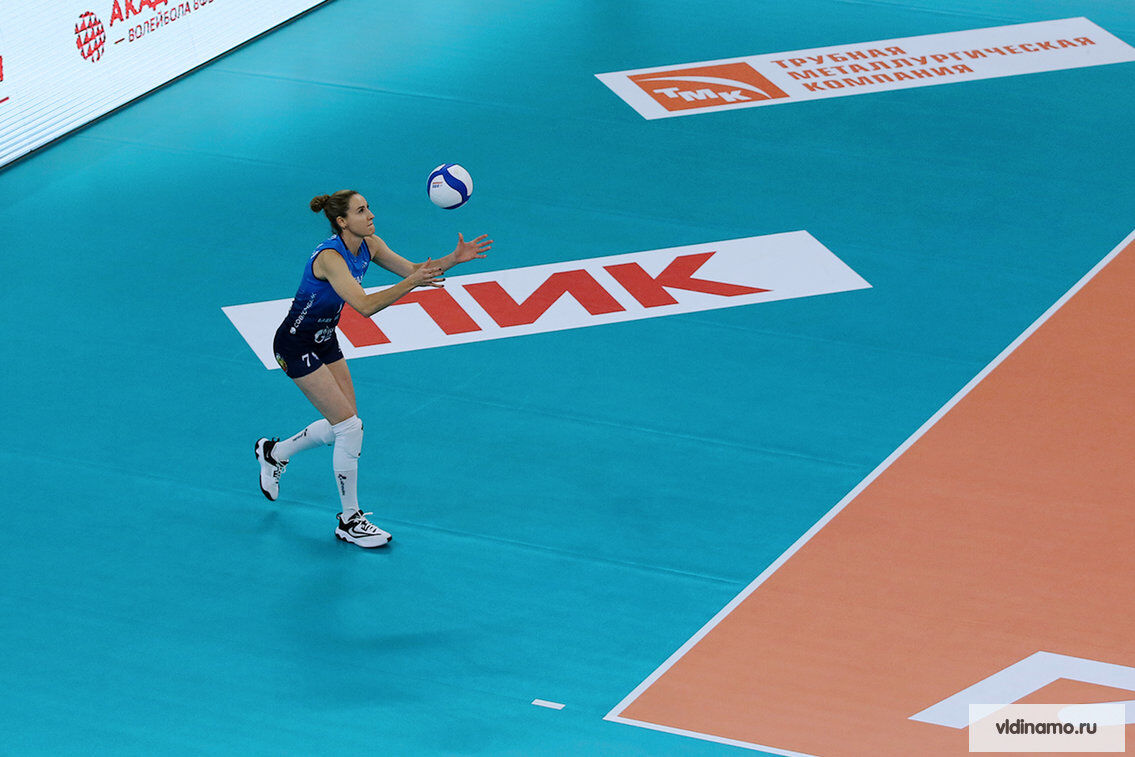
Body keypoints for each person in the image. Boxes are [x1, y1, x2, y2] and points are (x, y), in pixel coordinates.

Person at [255, 190, 491, 547]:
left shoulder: (371, 245)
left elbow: (415, 270)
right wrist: (411, 284)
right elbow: (364, 306)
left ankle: (274, 453)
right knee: (349, 427)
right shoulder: (330, 258)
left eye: (369, 208)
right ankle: (349, 520)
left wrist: (454, 259)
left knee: (345, 425)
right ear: (342, 221)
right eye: (361, 211)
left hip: (324, 339)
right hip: (295, 345)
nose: (371, 215)